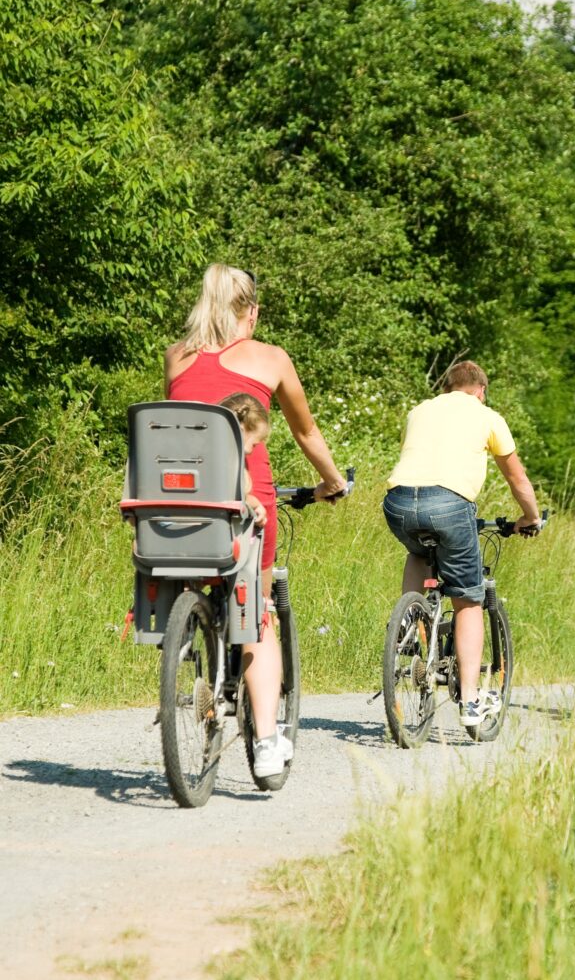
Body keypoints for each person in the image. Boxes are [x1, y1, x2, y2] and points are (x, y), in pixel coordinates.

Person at [165, 263, 347, 777]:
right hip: (247, 509)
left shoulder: (176, 357)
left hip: (178, 511)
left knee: (206, 581)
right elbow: (306, 433)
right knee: (259, 616)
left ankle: (198, 645)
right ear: (251, 311)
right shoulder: (270, 358)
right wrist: (333, 483)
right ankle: (267, 742)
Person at [383, 360, 541, 727]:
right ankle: (470, 702)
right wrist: (530, 517)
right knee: (468, 598)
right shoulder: (487, 416)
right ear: (481, 391)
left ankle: (411, 620)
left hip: (398, 503)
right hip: (451, 504)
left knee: (418, 551)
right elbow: (517, 479)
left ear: (447, 388)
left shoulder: (419, 410)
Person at [219, 393, 270, 529]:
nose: (252, 451)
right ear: (240, 431)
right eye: (254, 444)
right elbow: (236, 500)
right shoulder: (228, 466)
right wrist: (256, 503)